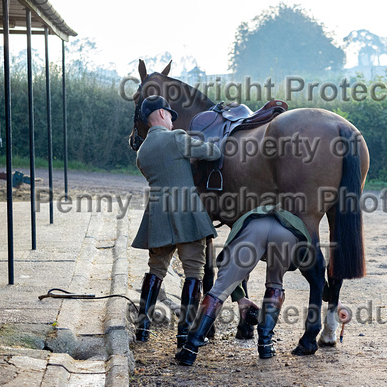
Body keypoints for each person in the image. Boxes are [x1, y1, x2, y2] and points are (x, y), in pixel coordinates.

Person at [175, 204, 313, 366]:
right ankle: (266, 346)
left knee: (220, 289)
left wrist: (239, 295)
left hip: (253, 229)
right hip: (287, 232)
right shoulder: (295, 218)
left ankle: (190, 350)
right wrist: (329, 294)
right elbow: (311, 267)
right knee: (275, 284)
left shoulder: (247, 217)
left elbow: (227, 265)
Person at [132, 95, 221, 342]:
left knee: (155, 270)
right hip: (187, 214)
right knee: (194, 271)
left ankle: (142, 329)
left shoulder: (142, 152)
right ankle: (185, 333)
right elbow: (212, 153)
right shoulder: (177, 138)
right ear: (161, 114)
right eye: (170, 115)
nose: (172, 120)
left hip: (157, 217)